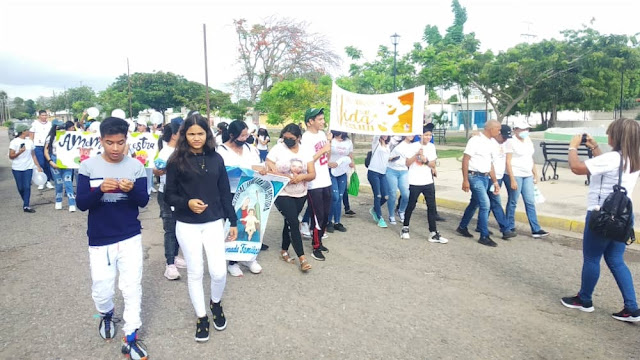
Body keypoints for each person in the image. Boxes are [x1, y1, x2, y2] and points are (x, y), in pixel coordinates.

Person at [76, 117, 149, 359]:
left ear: (126, 141)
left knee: (131, 287)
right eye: (110, 143)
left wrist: (131, 190)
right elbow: (82, 204)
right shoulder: (88, 167)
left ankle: (131, 335)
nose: (115, 148)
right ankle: (106, 313)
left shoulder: (136, 166)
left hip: (129, 235)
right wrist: (100, 191)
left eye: (120, 142)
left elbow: (143, 201)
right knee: (102, 288)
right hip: (99, 238)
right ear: (101, 141)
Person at [165, 114, 237, 342]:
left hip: (214, 222)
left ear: (208, 134)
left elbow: (225, 192)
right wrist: (186, 203)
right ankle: (201, 316)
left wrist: (232, 221)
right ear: (184, 135)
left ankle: (215, 303)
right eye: (191, 133)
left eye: (200, 133)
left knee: (218, 271)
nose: (196, 138)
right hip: (187, 225)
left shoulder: (217, 159)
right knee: (195, 272)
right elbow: (168, 195)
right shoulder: (176, 160)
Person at [561, 118, 640, 322]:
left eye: (610, 133)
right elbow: (606, 168)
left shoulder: (613, 158)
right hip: (623, 216)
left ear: (618, 136)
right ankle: (632, 308)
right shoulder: (632, 158)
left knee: (592, 258)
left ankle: (584, 299)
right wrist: (595, 147)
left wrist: (573, 146)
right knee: (616, 259)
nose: (608, 136)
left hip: (602, 215)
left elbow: (577, 168)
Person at [217, 120, 267, 277]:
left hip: (250, 190)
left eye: (247, 135)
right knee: (234, 225)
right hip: (230, 192)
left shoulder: (250, 149)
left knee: (251, 224)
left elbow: (258, 166)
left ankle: (249, 257)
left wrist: (262, 169)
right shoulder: (221, 150)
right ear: (232, 135)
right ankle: (233, 261)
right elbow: (219, 172)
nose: (245, 138)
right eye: (242, 135)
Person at [266, 123, 316, 272]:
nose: (287, 140)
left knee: (289, 221)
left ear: (298, 138)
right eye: (285, 137)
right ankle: (302, 258)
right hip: (282, 192)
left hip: (300, 193)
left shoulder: (306, 151)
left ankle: (283, 250)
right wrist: (276, 171)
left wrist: (302, 177)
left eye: (291, 138)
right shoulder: (278, 149)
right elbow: (269, 164)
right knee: (294, 222)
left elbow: (313, 174)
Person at [456, 120, 510, 247]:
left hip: (486, 177)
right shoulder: (475, 140)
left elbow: (489, 163)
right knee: (485, 204)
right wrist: (465, 179)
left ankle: (462, 226)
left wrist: (495, 181)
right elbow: (465, 159)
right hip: (474, 176)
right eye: (498, 129)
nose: (499, 131)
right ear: (491, 128)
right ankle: (484, 235)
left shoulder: (491, 143)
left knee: (474, 203)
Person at [399, 124, 447, 243]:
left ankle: (433, 232)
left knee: (431, 206)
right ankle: (405, 228)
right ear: (421, 135)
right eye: (426, 135)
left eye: (430, 135)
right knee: (411, 205)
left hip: (428, 181)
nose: (428, 137)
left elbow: (433, 164)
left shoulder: (431, 147)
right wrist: (416, 155)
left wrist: (425, 160)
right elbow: (407, 163)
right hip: (414, 181)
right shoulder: (413, 146)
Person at [504, 119, 549, 238]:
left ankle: (535, 229)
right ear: (516, 130)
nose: (525, 131)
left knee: (530, 201)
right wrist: (512, 179)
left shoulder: (528, 140)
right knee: (513, 201)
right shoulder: (510, 142)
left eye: (527, 129)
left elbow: (530, 158)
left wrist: (535, 173)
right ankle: (509, 226)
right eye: (522, 129)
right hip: (516, 173)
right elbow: (508, 161)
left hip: (527, 174)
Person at [154, 122, 187, 280]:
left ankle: (174, 256)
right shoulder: (166, 152)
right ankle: (170, 264)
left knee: (179, 227)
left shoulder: (181, 150)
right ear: (174, 134)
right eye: (182, 131)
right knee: (170, 228)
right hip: (167, 193)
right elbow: (159, 171)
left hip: (182, 194)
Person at [301, 108, 332, 261]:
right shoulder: (306, 138)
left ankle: (319, 240)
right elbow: (307, 161)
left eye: (323, 119)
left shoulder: (321, 135)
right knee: (317, 215)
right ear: (310, 122)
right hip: (314, 182)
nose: (323, 122)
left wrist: (329, 144)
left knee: (326, 214)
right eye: (319, 119)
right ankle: (315, 246)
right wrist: (323, 150)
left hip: (326, 179)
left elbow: (327, 156)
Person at [45, 120, 77, 212]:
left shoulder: (69, 136)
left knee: (68, 182)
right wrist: (51, 162)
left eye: (63, 127)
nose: (61, 128)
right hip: (54, 160)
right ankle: (58, 201)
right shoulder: (50, 138)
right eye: (59, 127)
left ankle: (72, 203)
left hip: (67, 160)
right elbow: (46, 151)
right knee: (58, 183)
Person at [9, 123, 41, 213]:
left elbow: (33, 155)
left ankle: (26, 205)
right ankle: (25, 200)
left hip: (28, 167)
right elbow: (11, 156)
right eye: (27, 130)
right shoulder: (14, 142)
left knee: (27, 186)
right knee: (20, 188)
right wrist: (20, 152)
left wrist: (38, 166)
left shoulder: (29, 141)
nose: (29, 131)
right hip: (17, 168)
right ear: (23, 131)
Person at [327, 130, 353, 233]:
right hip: (331, 170)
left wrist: (352, 165)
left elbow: (350, 155)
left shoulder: (348, 142)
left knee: (340, 197)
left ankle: (337, 221)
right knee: (335, 196)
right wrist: (328, 163)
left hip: (342, 171)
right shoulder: (330, 139)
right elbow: (325, 154)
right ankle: (328, 220)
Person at [386, 135, 412, 225]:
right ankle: (391, 215)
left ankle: (401, 211)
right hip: (391, 170)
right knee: (392, 193)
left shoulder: (413, 146)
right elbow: (386, 153)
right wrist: (390, 158)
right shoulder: (395, 142)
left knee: (406, 194)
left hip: (404, 171)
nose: (411, 135)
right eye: (410, 133)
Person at [367, 135, 391, 228]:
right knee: (378, 195)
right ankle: (380, 218)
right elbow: (377, 134)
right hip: (373, 172)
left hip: (382, 173)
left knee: (386, 196)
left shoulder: (388, 145)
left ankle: (374, 209)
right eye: (384, 133)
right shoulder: (376, 143)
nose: (385, 135)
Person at [29, 110, 54, 190]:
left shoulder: (50, 124)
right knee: (41, 163)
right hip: (38, 146)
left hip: (47, 145)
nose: (44, 117)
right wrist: (31, 144)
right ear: (39, 116)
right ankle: (41, 181)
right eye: (42, 115)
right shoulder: (35, 124)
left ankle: (48, 181)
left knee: (48, 163)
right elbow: (31, 135)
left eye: (45, 115)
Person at [135, 119, 156, 195]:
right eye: (138, 125)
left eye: (140, 125)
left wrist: (154, 130)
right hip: (138, 160)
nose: (138, 127)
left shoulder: (150, 135)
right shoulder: (134, 135)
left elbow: (156, 139)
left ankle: (148, 192)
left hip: (148, 160)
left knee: (148, 177)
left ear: (145, 127)